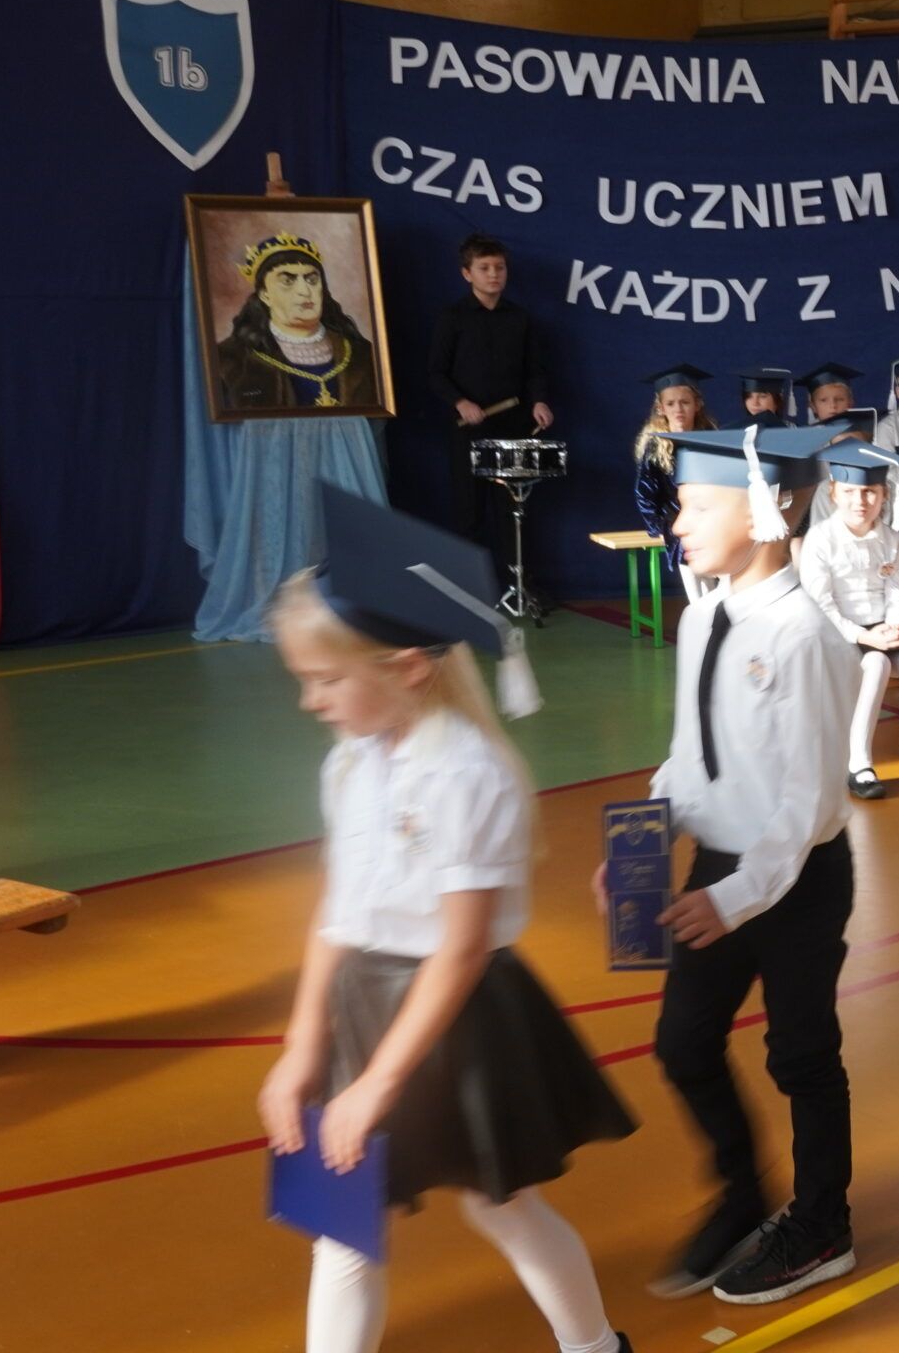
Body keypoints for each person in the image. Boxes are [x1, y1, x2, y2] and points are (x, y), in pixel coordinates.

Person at [264, 487, 633, 1353]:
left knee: (501, 1206)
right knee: (341, 1226)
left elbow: (461, 949)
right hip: (366, 1002)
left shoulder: (464, 772)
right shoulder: (350, 762)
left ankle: (594, 1347)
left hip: (457, 1016)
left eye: (326, 680)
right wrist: (303, 1046)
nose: (311, 702)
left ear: (406, 667)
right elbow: (337, 912)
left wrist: (379, 1083)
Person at [607, 425, 864, 1307]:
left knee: (802, 1055)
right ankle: (742, 1193)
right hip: (719, 868)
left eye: (695, 506)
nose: (675, 523)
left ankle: (823, 1223)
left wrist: (736, 898)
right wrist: (644, 838)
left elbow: (808, 805)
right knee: (683, 1043)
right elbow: (692, 756)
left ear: (765, 510)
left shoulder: (807, 638)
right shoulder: (702, 617)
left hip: (795, 877)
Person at [798, 442, 899, 798]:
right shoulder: (820, 539)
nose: (860, 501)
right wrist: (863, 636)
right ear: (833, 493)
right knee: (875, 664)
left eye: (870, 492)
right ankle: (858, 763)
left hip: (883, 629)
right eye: (849, 492)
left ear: (884, 494)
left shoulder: (891, 539)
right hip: (839, 635)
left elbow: (897, 592)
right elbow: (820, 606)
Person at [428, 234, 551, 541]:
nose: (494, 274)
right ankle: (468, 574)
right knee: (469, 512)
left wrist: (539, 401)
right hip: (469, 429)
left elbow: (534, 370)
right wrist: (460, 402)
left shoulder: (520, 318)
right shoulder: (452, 317)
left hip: (513, 426)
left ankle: (516, 572)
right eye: (484, 268)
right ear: (467, 273)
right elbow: (436, 373)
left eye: (500, 267)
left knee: (512, 510)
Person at [215, 233, 381, 412]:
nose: (305, 291)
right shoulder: (231, 360)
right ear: (265, 295)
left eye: (312, 280)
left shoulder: (362, 354)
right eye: (288, 281)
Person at [635, 363, 718, 604]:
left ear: (697, 404)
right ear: (660, 408)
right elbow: (645, 493)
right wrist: (659, 527)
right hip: (678, 526)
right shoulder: (656, 446)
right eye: (671, 404)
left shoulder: (711, 440)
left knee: (717, 590)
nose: (678, 409)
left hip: (711, 523)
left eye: (685, 402)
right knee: (698, 595)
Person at [797, 364, 862, 427]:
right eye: (824, 400)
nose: (833, 405)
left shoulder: (861, 430)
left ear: (850, 403)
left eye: (839, 399)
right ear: (813, 407)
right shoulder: (808, 433)